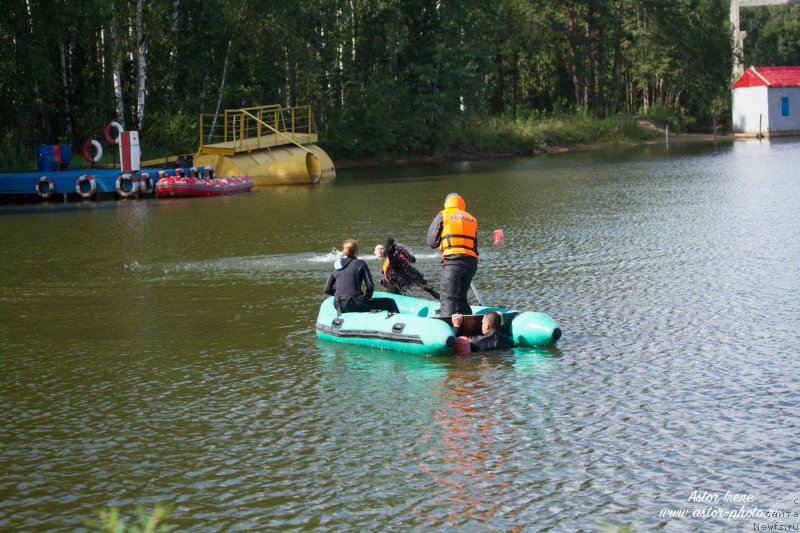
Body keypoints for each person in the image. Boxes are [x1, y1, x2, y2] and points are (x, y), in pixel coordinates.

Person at [426, 192, 478, 316]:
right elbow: (474, 245)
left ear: (446, 203)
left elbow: (431, 242)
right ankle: (470, 328)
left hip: (453, 262)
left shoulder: (443, 215)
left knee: (448, 298)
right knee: (461, 298)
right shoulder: (472, 219)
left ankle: (447, 330)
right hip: (471, 263)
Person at [324, 239, 399, 315]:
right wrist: (367, 298)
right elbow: (370, 287)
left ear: (344, 251)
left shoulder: (336, 264)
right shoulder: (360, 263)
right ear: (356, 250)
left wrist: (339, 295)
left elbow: (327, 289)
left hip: (338, 304)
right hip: (356, 303)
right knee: (390, 302)